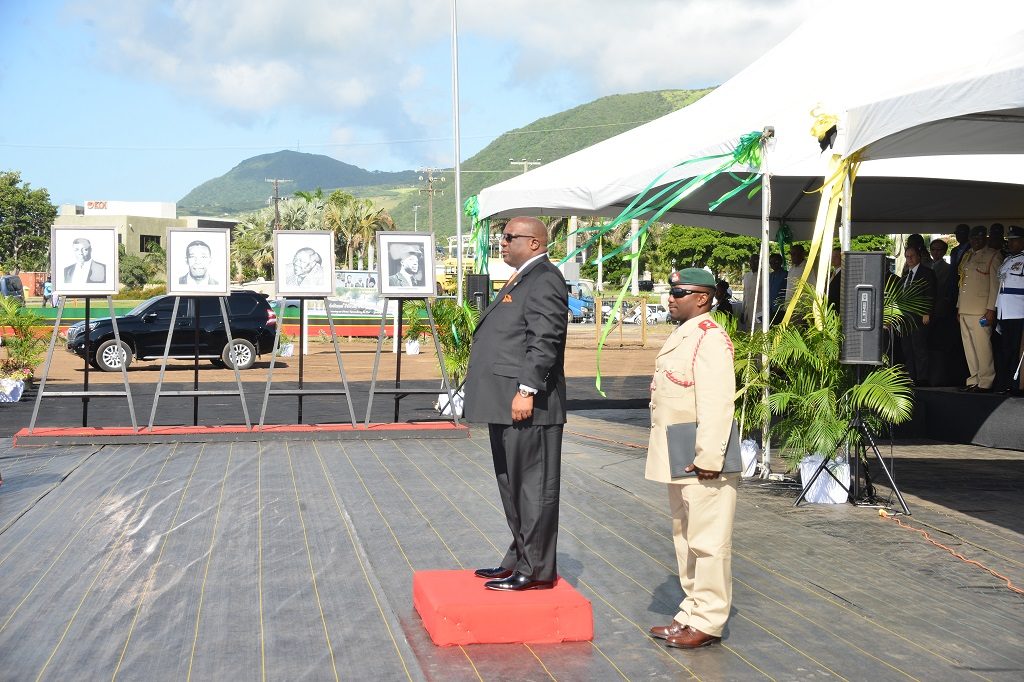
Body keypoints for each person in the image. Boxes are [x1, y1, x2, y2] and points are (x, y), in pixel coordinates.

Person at [464, 217, 568, 592]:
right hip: (504, 402)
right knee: (512, 485)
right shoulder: (523, 276)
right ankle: (519, 558)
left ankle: (537, 570)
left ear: (535, 243)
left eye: (509, 237)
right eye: (501, 237)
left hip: (528, 404)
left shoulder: (545, 279)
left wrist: (526, 389)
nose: (502, 243)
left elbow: (545, 340)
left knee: (533, 487)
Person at [647, 268, 737, 649]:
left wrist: (709, 458)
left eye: (679, 292)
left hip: (702, 454)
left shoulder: (710, 338)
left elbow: (718, 404)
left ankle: (708, 621)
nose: (671, 297)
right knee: (686, 538)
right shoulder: (684, 335)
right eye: (671, 291)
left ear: (702, 298)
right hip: (679, 450)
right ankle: (690, 614)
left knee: (709, 542)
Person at [957, 225, 1003, 392]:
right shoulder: (968, 255)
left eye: (979, 238)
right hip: (965, 308)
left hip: (981, 309)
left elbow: (995, 285)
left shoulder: (993, 255)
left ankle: (986, 380)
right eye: (973, 238)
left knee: (983, 346)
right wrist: (958, 306)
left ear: (986, 239)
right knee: (969, 347)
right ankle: (974, 379)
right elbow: (963, 283)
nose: (976, 241)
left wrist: (991, 309)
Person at [899, 245, 937, 386]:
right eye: (907, 256)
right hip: (906, 318)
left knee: (919, 348)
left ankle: (922, 378)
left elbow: (930, 293)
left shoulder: (926, 272)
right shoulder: (905, 275)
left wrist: (927, 312)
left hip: (919, 317)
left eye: (912, 256)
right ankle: (911, 376)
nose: (909, 259)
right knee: (907, 349)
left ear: (919, 256)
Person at [994, 225, 1024, 395]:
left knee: (1014, 350)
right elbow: (1002, 287)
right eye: (1010, 241)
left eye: (1014, 241)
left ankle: (1014, 384)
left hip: (1018, 312)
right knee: (1005, 349)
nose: (1011, 244)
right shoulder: (1007, 260)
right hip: (1005, 311)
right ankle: (1005, 383)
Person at [740, 254, 761, 331]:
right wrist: (742, 312)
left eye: (756, 261)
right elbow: (745, 295)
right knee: (749, 335)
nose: (753, 263)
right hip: (747, 313)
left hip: (759, 313)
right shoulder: (746, 276)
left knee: (759, 335)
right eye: (751, 261)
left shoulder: (765, 276)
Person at [767, 252, 787, 323]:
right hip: (770, 308)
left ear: (780, 262)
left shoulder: (786, 274)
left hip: (780, 308)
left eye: (775, 261)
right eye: (771, 262)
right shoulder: (770, 275)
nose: (773, 264)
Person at [827, 247, 842, 313]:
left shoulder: (844, 274)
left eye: (836, 256)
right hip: (828, 309)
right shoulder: (830, 274)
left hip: (837, 310)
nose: (833, 259)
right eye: (832, 256)